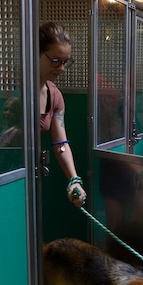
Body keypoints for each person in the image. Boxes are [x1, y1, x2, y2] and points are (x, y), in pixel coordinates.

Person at [39, 22, 86, 207]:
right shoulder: (12, 87)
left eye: (65, 62)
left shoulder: (54, 95)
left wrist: (74, 179)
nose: (61, 68)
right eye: (55, 61)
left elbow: (61, 143)